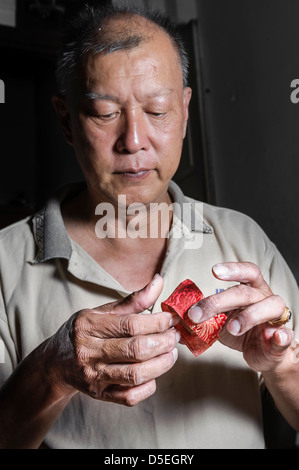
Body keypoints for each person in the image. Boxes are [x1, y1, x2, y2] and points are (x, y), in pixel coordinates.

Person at [0, 3, 298, 449]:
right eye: (104, 113)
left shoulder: (243, 241)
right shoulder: (5, 263)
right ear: (66, 119)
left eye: (157, 111)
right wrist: (50, 372)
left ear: (183, 112)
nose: (133, 141)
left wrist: (283, 363)